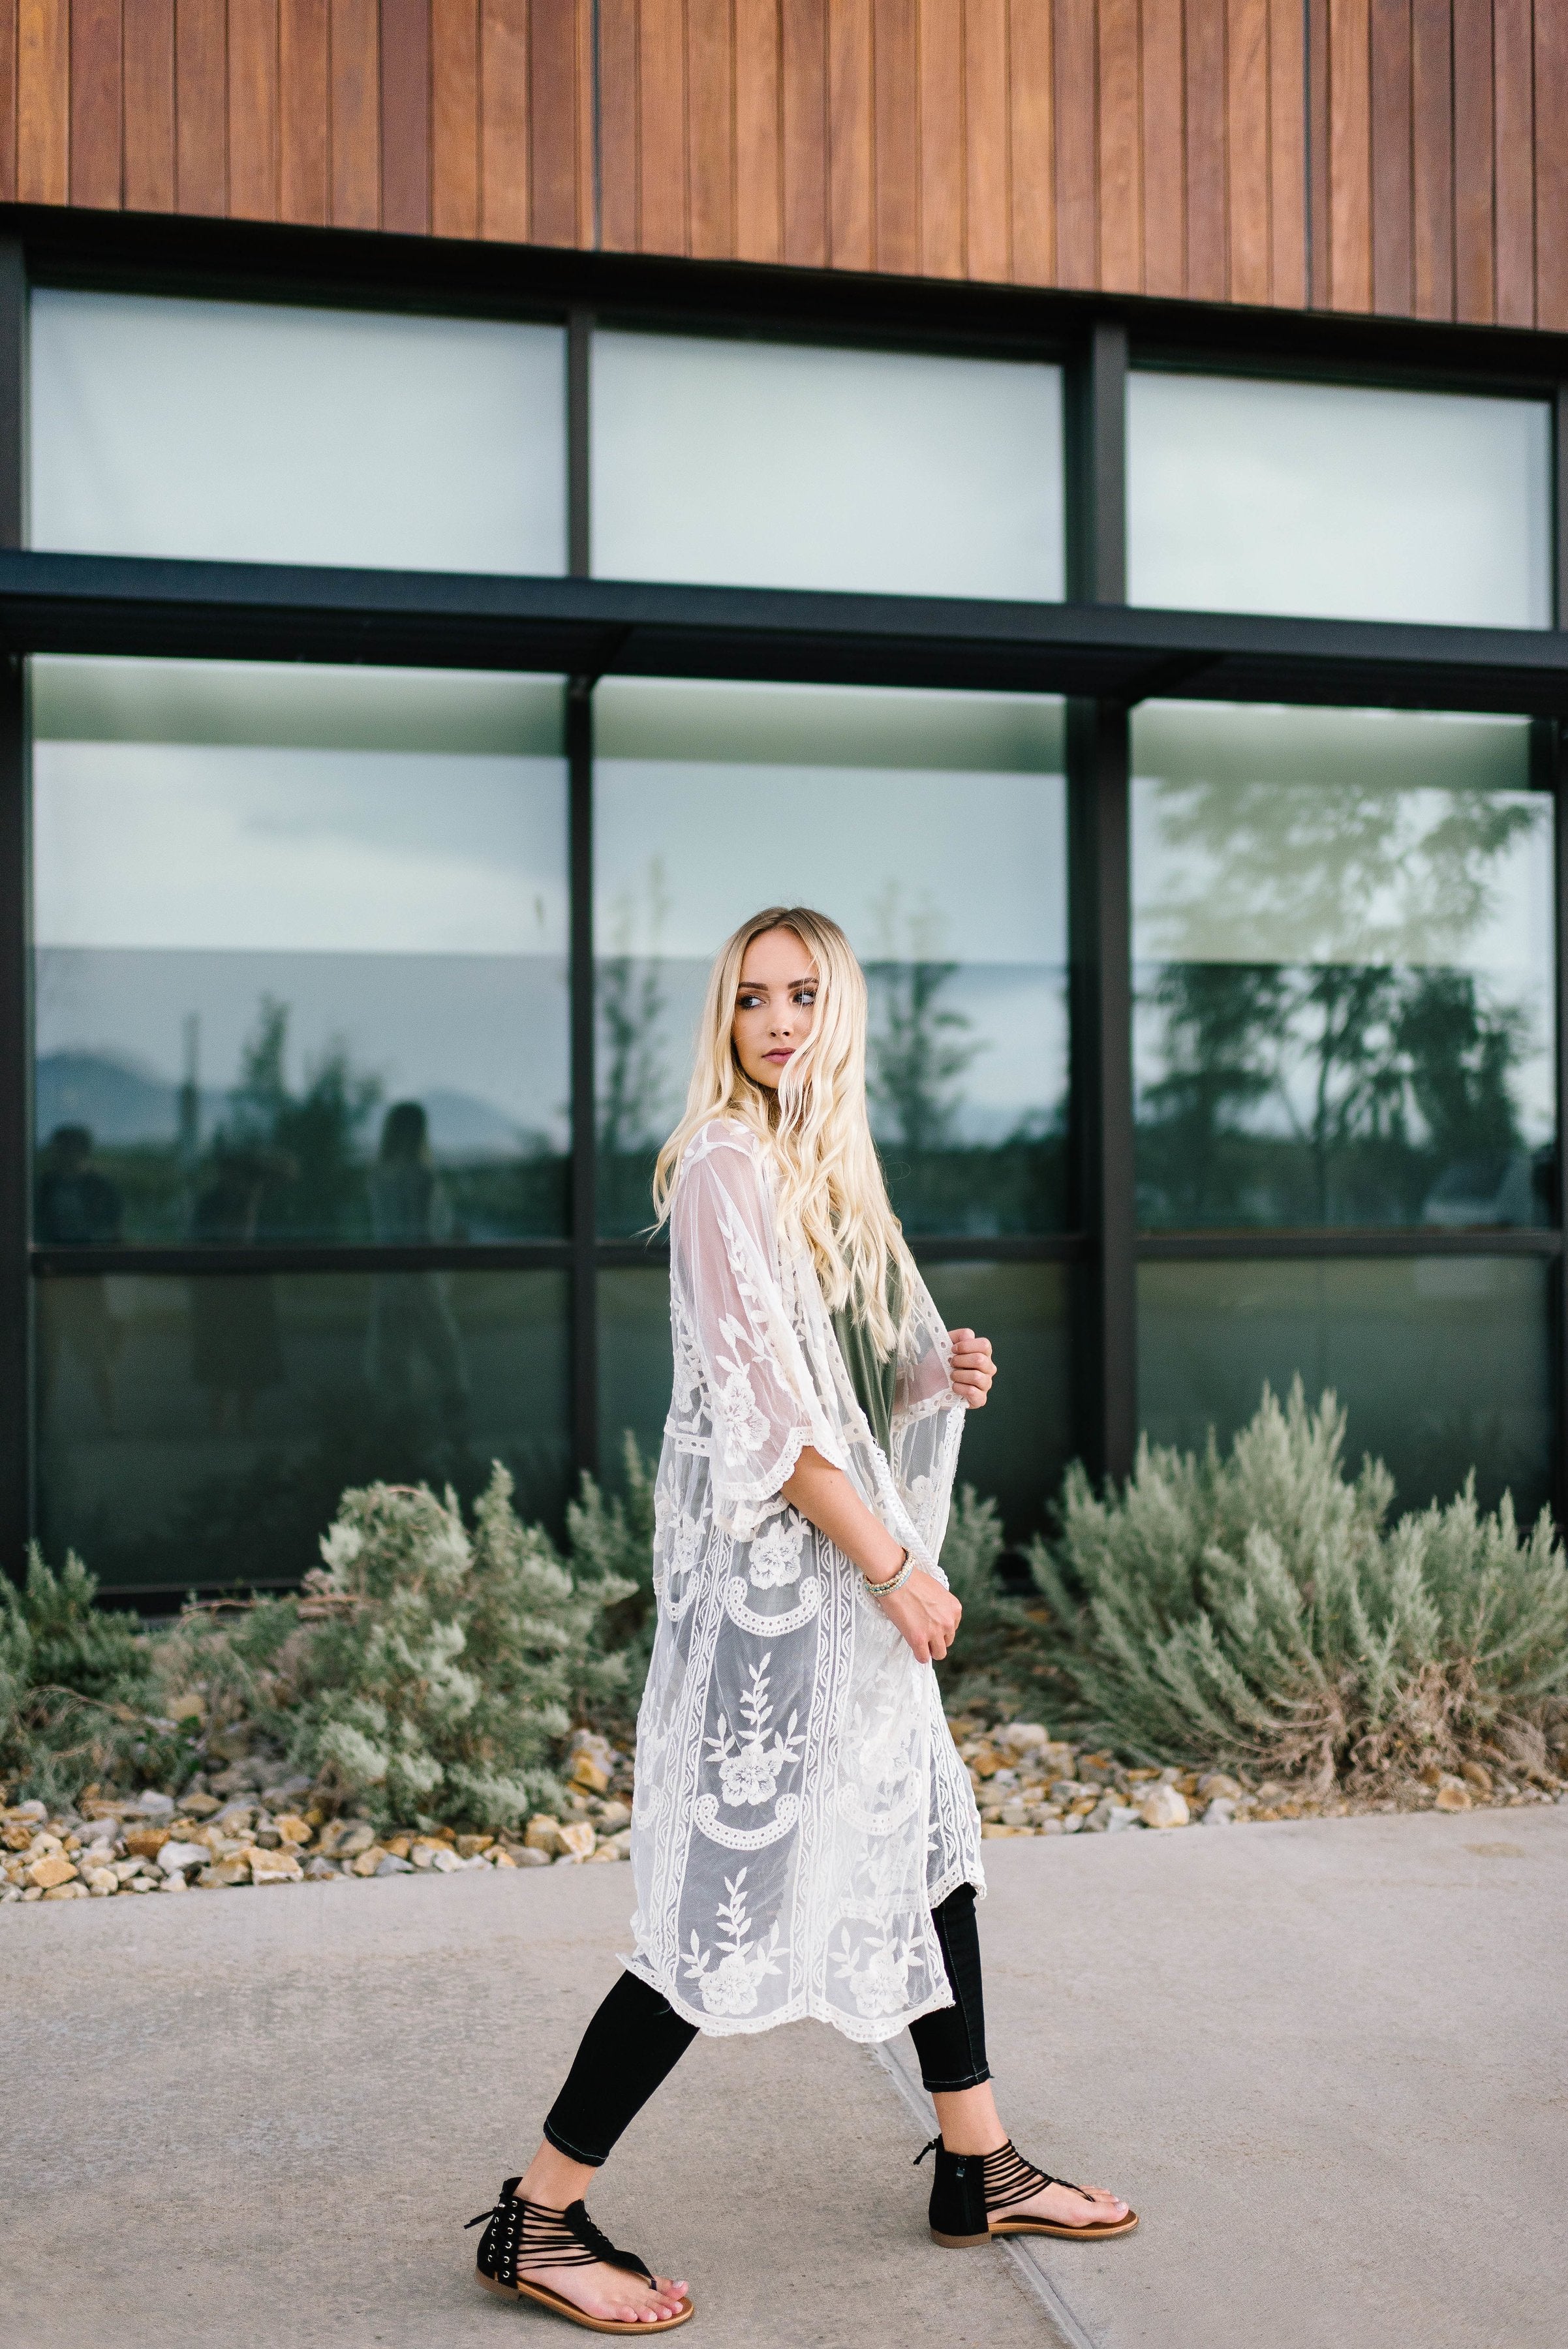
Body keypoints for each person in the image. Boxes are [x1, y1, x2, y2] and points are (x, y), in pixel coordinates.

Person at [467, 908, 1135, 2332]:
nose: (776, 1020)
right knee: (717, 1911)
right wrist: (899, 1570)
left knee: (920, 1853)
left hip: (839, 1587)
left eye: (803, 995)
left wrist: (925, 1378)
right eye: (752, 998)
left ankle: (977, 2164)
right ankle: (537, 2213)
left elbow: (830, 1383)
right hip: (784, 1607)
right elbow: (762, 1420)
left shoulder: (825, 1169)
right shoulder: (721, 1161)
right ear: (725, 1018)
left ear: (839, 1017)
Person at [364, 1101, 469, 1435]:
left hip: (390, 1280)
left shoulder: (379, 1176)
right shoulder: (421, 1175)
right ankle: (457, 1437)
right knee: (445, 1357)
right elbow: (421, 1229)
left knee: (393, 1363)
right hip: (421, 1279)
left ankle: (398, 1438)